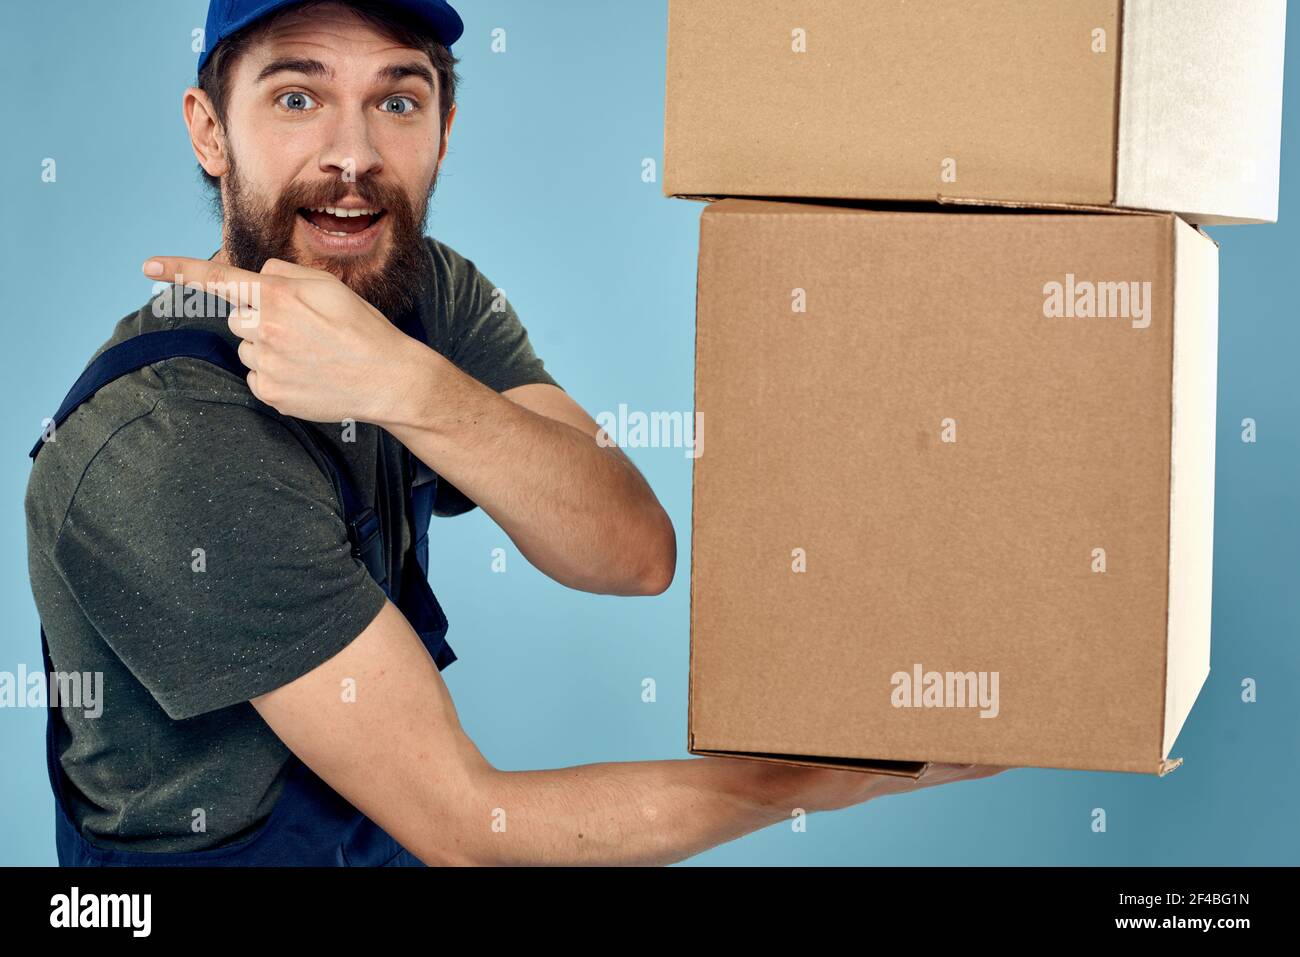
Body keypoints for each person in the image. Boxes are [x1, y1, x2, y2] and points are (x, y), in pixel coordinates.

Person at [23, 0, 1003, 866]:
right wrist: (801, 780)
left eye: (398, 102)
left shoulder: (420, 291)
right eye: (296, 99)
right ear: (209, 132)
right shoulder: (166, 446)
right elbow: (466, 828)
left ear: (444, 130)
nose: (353, 155)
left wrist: (405, 382)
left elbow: (629, 552)